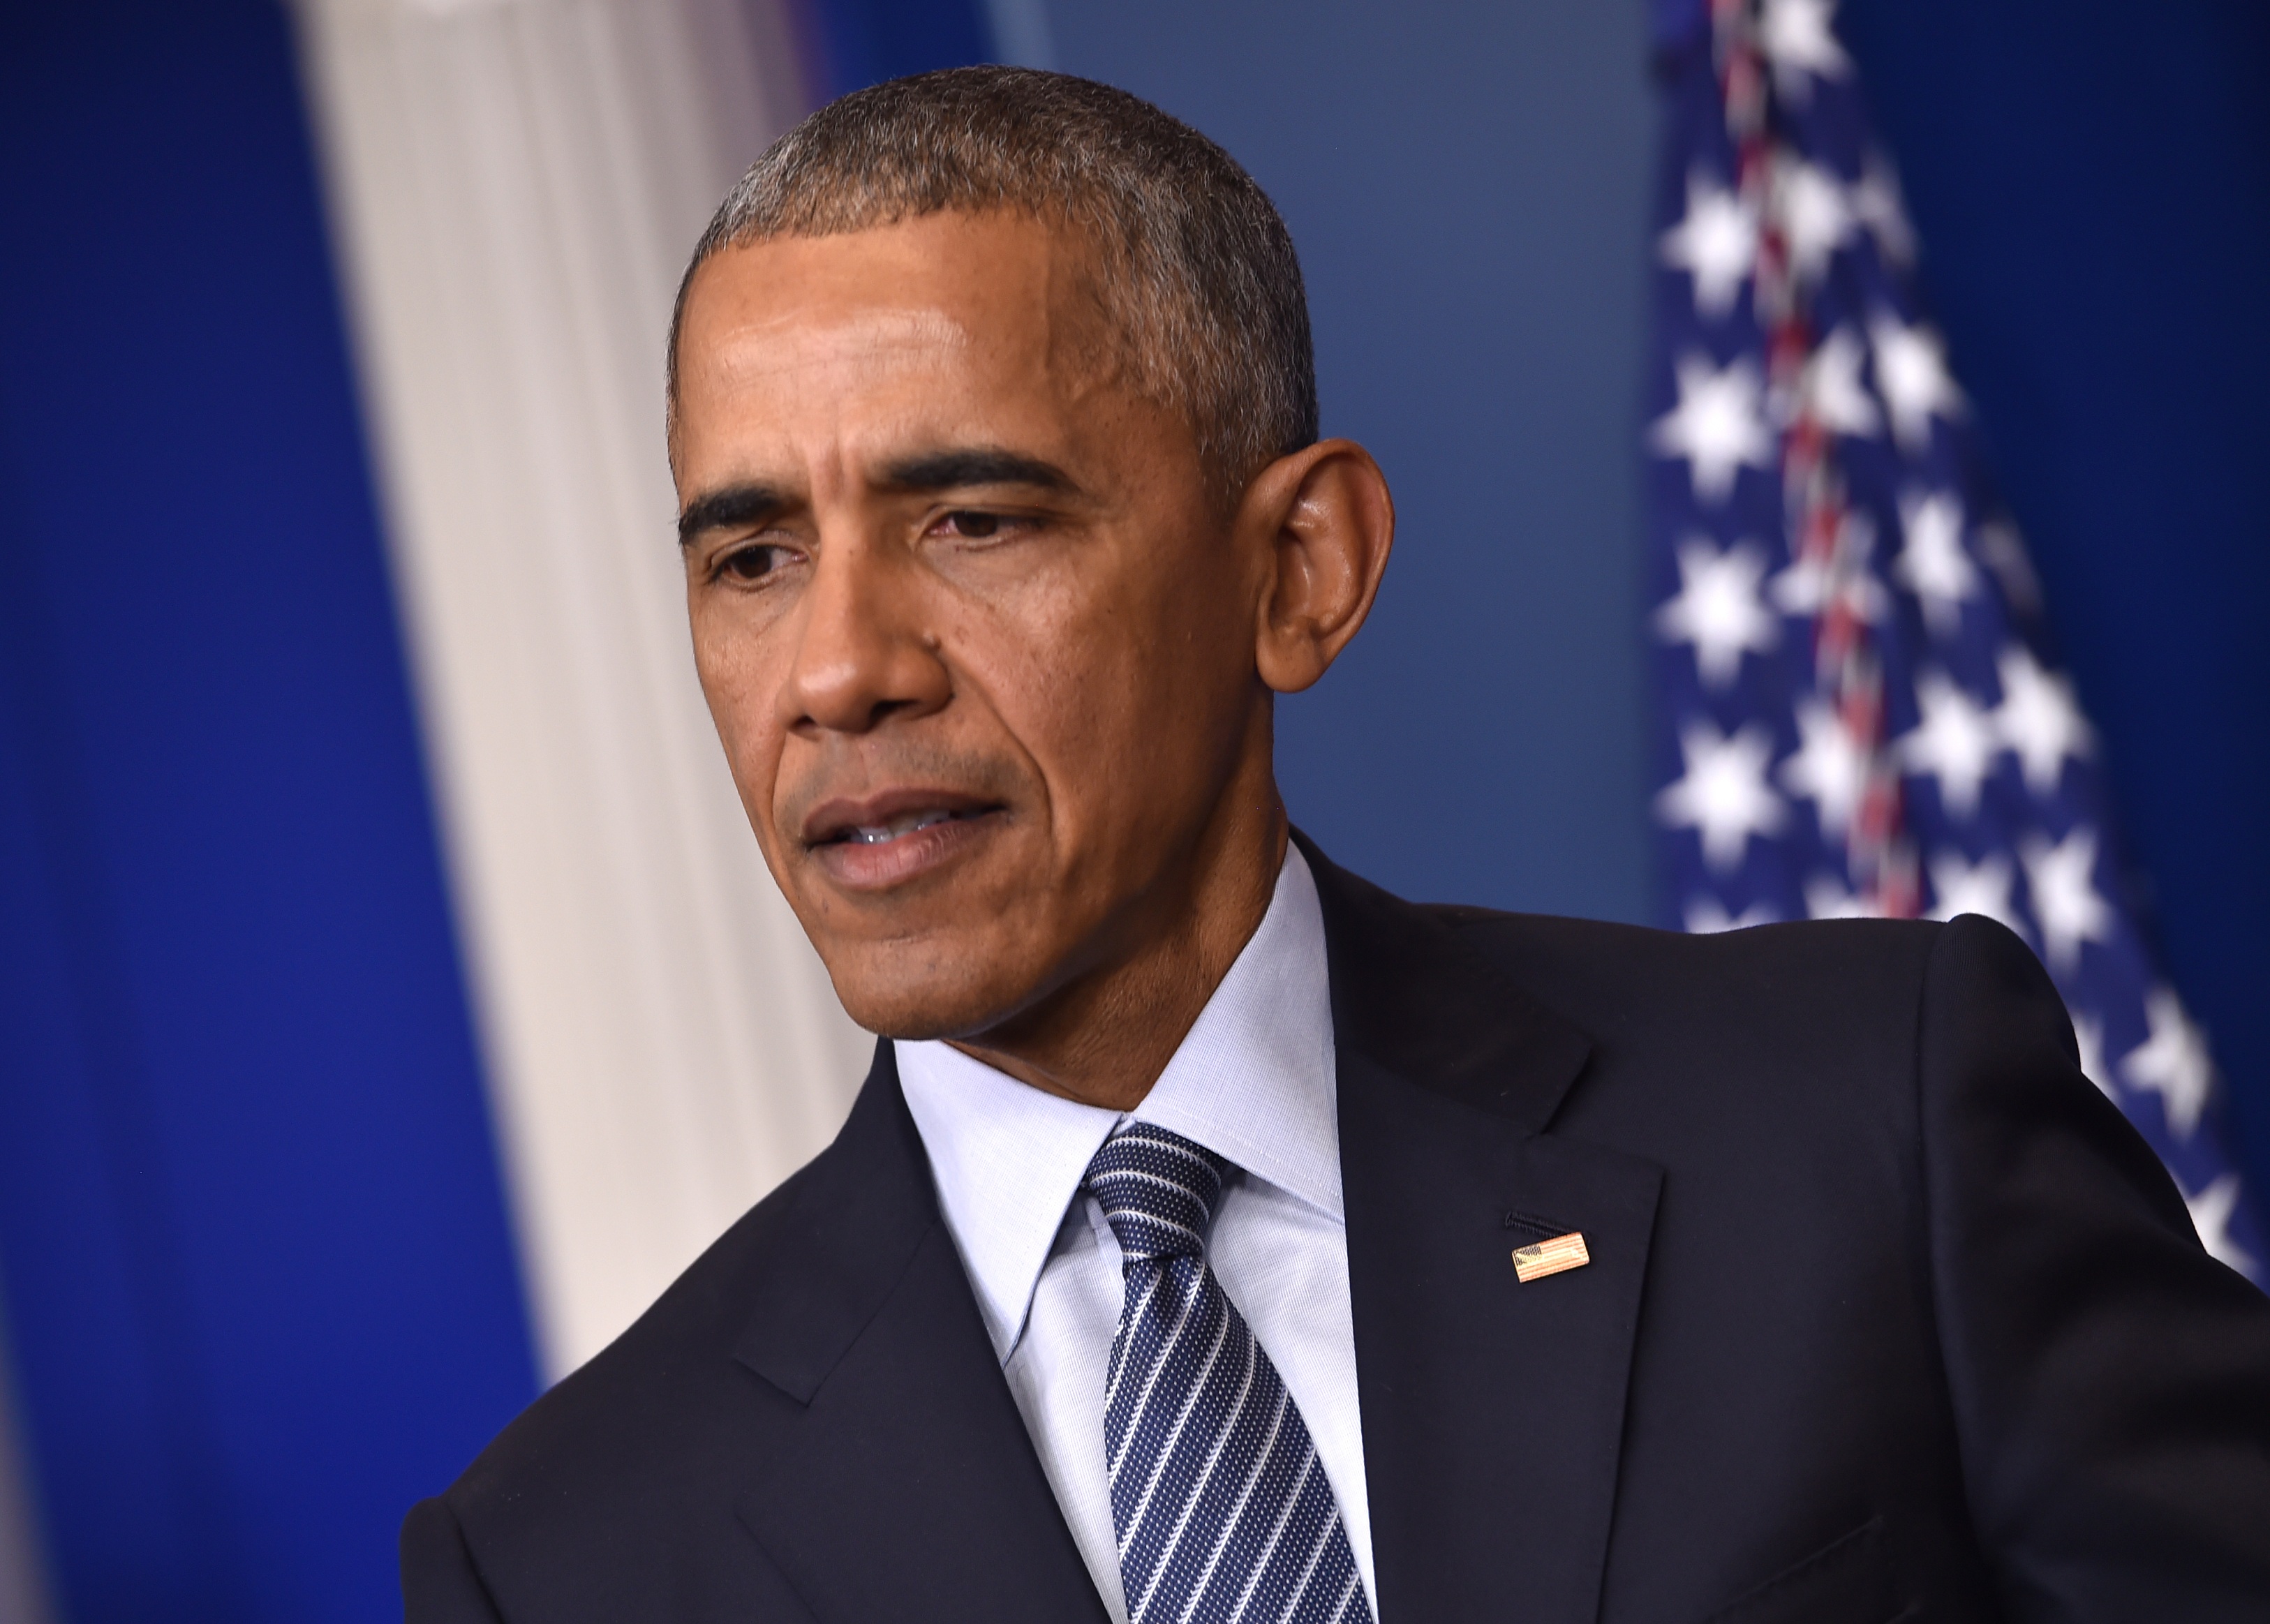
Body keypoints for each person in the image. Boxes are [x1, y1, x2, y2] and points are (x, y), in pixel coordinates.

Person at [401, 66, 2270, 1623]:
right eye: (748, 559)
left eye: (970, 520)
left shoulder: (1865, 1124)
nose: (836, 669)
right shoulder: (563, 1559)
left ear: (1299, 571)